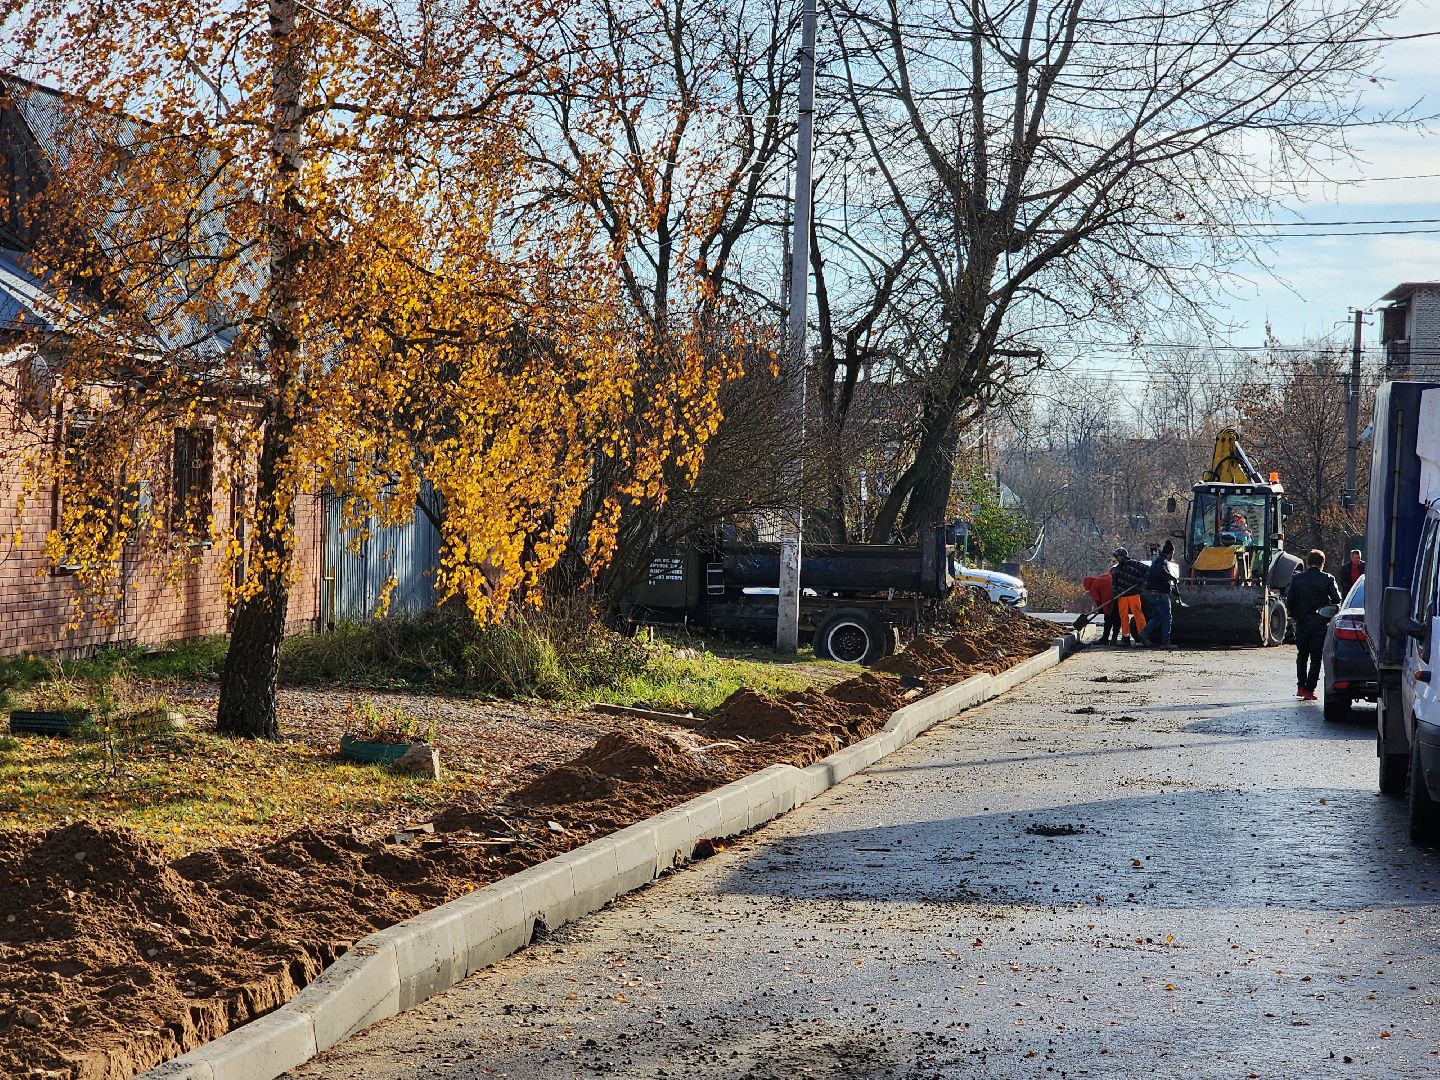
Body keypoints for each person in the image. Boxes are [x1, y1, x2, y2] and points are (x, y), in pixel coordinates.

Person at [1286, 548, 1342, 701]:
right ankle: (1310, 690)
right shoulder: (1328, 578)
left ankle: (1300, 686)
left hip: (1302, 622)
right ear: (1322, 563)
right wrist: (1327, 612)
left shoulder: (1297, 579)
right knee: (1316, 658)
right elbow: (1337, 601)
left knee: (1302, 655)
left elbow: (1290, 601)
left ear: (1307, 562)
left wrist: (1296, 616)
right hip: (1320, 623)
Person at [1143, 539, 1180, 649]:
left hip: (1152, 594)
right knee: (1167, 618)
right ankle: (1165, 642)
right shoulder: (1162, 562)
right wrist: (1172, 577)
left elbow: (1160, 579)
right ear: (1170, 553)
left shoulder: (1157, 561)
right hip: (1160, 595)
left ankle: (1144, 633)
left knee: (1158, 617)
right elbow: (1162, 573)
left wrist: (1172, 590)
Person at [1110, 547, 1148, 646]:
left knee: (1138, 615)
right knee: (1123, 616)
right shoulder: (1117, 569)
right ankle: (1125, 638)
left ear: (1123, 556)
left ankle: (1143, 636)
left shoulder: (1136, 564)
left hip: (1134, 594)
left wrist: (1142, 580)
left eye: (1118, 557)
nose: (1117, 559)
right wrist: (1115, 593)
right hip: (1122, 596)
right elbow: (1114, 583)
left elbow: (1148, 571)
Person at [1083, 567, 1119, 644]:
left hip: (1108, 602)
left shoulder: (1093, 586)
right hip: (1117, 598)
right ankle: (1114, 639)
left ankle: (1105, 638)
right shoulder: (1104, 577)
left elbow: (1097, 599)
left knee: (1108, 619)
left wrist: (1100, 607)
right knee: (1117, 619)